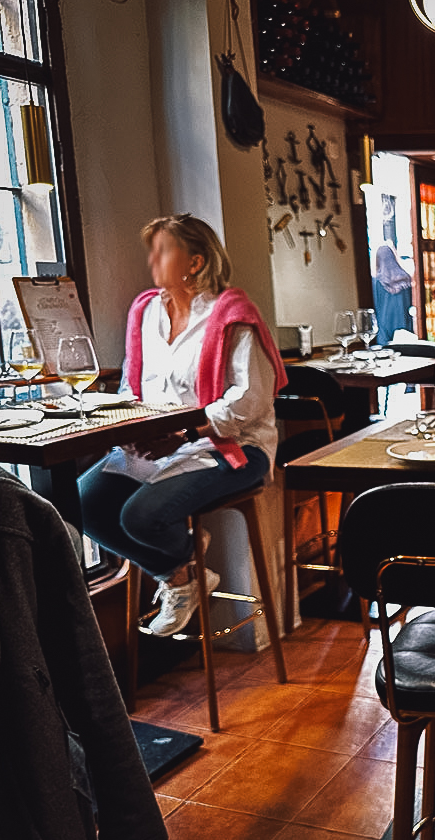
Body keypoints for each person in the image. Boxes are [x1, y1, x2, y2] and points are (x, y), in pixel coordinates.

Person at [79, 214, 287, 637]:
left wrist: (189, 433)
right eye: (152, 249)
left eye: (164, 249)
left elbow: (250, 399)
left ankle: (179, 564)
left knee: (141, 517)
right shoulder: (145, 312)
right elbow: (133, 385)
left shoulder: (232, 313)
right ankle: (180, 575)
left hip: (231, 445)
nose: (153, 258)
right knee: (81, 502)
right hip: (161, 443)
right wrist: (132, 429)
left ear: (195, 260)